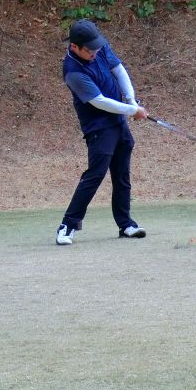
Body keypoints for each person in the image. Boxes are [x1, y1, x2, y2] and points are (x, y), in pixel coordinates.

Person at [56, 19, 148, 246]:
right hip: (98, 128)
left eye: (96, 48)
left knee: (122, 176)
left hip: (118, 122)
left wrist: (131, 99)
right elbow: (99, 101)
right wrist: (132, 110)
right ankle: (67, 226)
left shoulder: (97, 46)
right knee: (94, 176)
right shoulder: (72, 71)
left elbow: (119, 70)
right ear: (74, 47)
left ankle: (126, 224)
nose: (94, 53)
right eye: (89, 50)